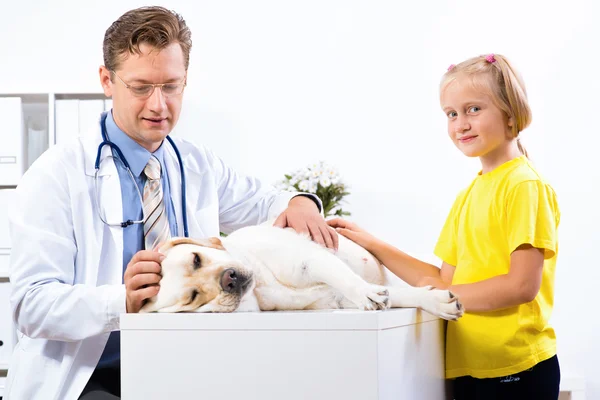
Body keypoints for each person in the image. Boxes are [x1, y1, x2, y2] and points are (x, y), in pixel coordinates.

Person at [5, 6, 337, 400]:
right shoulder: (56, 175)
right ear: (107, 81)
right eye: (141, 87)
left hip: (184, 367)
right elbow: (31, 304)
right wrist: (121, 299)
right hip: (91, 375)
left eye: (171, 86)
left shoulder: (196, 164)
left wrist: (299, 201)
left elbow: (266, 202)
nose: (159, 105)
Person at [329, 54, 561, 400]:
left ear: (510, 114)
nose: (460, 124)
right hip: (470, 367)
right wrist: (371, 243)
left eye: (473, 110)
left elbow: (521, 286)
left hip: (516, 369)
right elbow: (442, 282)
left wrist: (429, 299)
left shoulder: (523, 185)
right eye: (451, 114)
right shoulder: (469, 193)